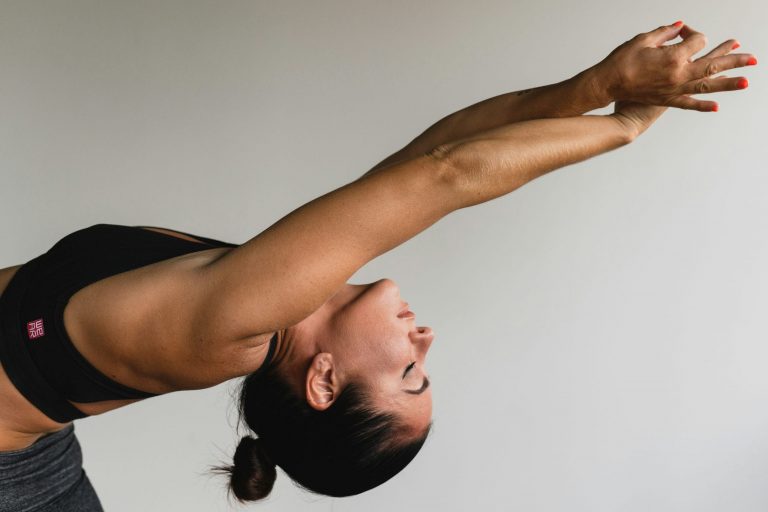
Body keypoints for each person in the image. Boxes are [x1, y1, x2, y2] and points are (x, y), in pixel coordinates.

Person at [0, 21, 755, 509]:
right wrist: (591, 90)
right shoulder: (273, 292)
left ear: (324, 382)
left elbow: (448, 175)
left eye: (410, 372)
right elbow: (436, 150)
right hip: (38, 460)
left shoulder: (233, 327)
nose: (425, 339)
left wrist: (625, 127)